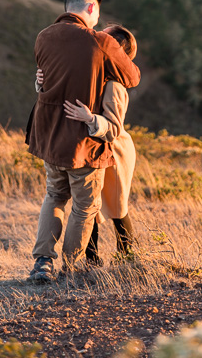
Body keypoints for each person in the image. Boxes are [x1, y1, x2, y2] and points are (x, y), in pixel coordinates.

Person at [25, 0, 140, 283]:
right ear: (91, 8)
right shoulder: (100, 43)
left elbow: (48, 81)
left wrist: (39, 82)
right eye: (97, 15)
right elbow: (133, 76)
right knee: (86, 207)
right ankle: (71, 267)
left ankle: (42, 263)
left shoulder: (43, 37)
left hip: (48, 138)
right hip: (83, 145)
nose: (97, 22)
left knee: (54, 196)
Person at [63, 25, 137, 265]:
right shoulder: (95, 76)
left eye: (104, 40)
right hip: (94, 149)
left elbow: (113, 129)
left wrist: (89, 119)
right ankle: (93, 262)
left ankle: (126, 260)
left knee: (117, 208)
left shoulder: (115, 84)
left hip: (115, 151)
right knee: (91, 207)